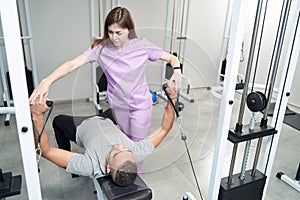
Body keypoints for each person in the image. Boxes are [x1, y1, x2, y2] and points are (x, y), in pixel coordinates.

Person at [29, 6, 182, 143]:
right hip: (118, 105)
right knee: (125, 142)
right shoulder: (101, 49)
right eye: (110, 32)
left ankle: (135, 173)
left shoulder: (142, 46)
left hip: (139, 105)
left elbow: (171, 58)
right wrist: (47, 81)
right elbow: (72, 64)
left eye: (118, 33)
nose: (114, 37)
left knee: (137, 146)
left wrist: (176, 71)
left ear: (129, 30)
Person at [30, 83, 177, 186]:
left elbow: (45, 151)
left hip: (82, 125)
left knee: (58, 121)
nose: (119, 146)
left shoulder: (90, 165)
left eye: (116, 153)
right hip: (107, 120)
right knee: (121, 109)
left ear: (107, 168)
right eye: (126, 149)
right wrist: (173, 97)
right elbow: (165, 128)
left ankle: (66, 162)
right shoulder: (136, 153)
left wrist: (37, 116)